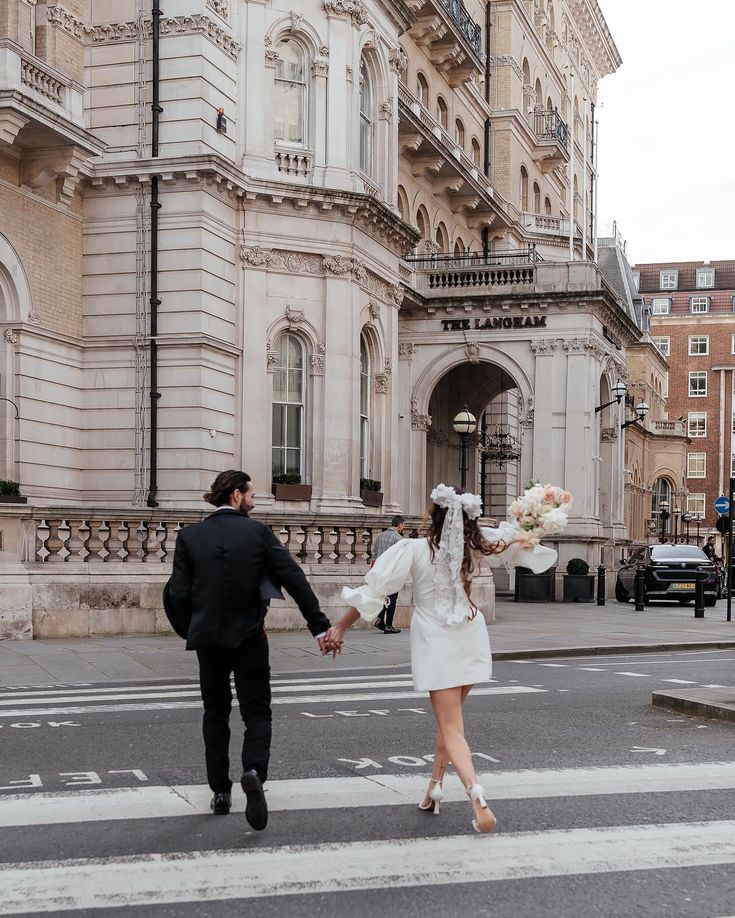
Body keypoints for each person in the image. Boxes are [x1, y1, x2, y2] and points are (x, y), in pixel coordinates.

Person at [324, 484, 556, 834]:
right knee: (450, 721)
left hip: (437, 639)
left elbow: (374, 593)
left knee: (451, 726)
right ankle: (434, 787)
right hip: (471, 634)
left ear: (434, 516)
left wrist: (339, 627)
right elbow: (515, 539)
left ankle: (477, 798)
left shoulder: (414, 549)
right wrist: (537, 511)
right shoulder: (474, 546)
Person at [164, 470, 332, 830]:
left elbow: (176, 593)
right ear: (237, 496)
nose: (255, 500)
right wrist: (318, 625)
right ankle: (253, 770)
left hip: (208, 639)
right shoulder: (258, 533)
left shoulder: (191, 536)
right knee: (257, 711)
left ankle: (220, 791)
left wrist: (189, 630)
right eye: (252, 494)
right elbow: (294, 578)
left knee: (215, 712)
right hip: (251, 636)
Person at [371, 515, 406, 634]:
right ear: (400, 524)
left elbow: (374, 553)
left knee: (384, 596)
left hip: (380, 571)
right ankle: (389, 625)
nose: (403, 527)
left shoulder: (380, 536)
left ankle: (380, 619)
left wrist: (373, 569)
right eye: (403, 525)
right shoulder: (399, 539)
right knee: (392, 598)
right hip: (392, 572)